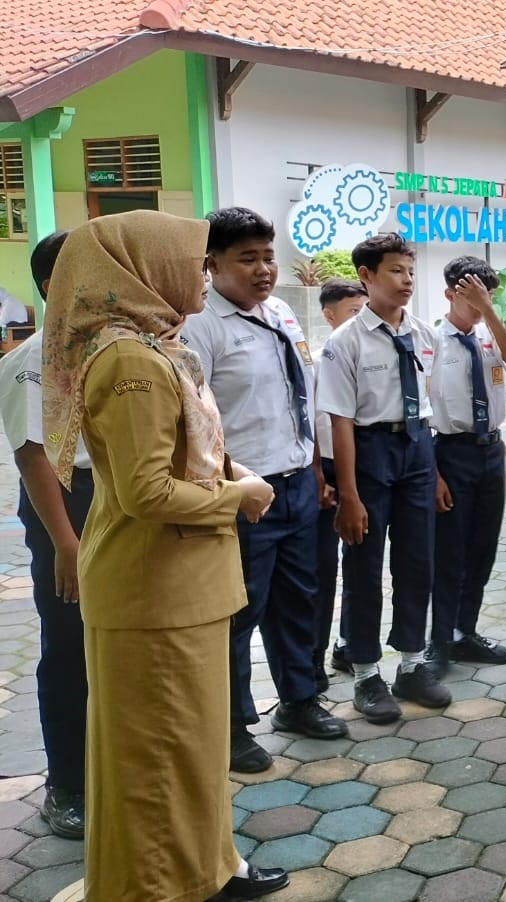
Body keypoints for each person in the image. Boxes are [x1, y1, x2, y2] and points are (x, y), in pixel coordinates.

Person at [41, 209, 287, 900]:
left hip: (182, 582)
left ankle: (208, 870)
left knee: (191, 748)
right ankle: (156, 888)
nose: (202, 274)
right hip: (153, 590)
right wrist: (238, 497)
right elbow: (147, 491)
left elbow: (189, 453)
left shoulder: (159, 345)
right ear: (144, 269)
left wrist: (233, 473)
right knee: (158, 757)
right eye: (192, 261)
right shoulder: (131, 362)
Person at [183, 207, 347, 775]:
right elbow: (194, 425)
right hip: (243, 494)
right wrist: (234, 483)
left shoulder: (280, 312)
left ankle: (299, 700)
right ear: (212, 264)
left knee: (299, 600)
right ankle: (228, 727)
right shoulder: (201, 325)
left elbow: (301, 397)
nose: (263, 270)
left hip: (297, 485)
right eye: (247, 259)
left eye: (269, 257)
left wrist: (317, 470)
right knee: (237, 611)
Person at [318, 232, 451, 724]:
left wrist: (434, 471)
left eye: (411, 271)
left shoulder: (424, 334)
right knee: (364, 566)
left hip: (416, 449)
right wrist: (349, 496)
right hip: (368, 450)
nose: (407, 280)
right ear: (366, 276)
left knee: (418, 560)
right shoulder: (344, 343)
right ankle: (366, 672)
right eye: (395, 270)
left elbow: (429, 407)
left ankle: (412, 663)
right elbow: (341, 423)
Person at [0, 231, 89, 838]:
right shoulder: (30, 362)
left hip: (113, 502)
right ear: (55, 284)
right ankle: (68, 785)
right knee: (70, 646)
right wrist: (65, 544)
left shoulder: (102, 347)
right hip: (66, 505)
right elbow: (34, 458)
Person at [424, 256, 506, 676]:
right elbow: (421, 413)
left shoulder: (490, 336)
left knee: (483, 547)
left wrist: (489, 311)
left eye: (489, 295)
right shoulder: (430, 341)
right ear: (450, 294)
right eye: (474, 296)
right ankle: (440, 640)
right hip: (451, 452)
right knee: (449, 552)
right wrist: (434, 474)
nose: (482, 302)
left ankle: (466, 632)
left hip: (491, 451)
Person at [314, 279, 366, 689]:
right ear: (328, 315)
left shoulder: (370, 351)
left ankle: (349, 643)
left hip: (360, 467)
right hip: (325, 471)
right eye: (353, 312)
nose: (361, 318)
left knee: (360, 562)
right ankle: (311, 661)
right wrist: (317, 475)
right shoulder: (319, 360)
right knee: (320, 567)